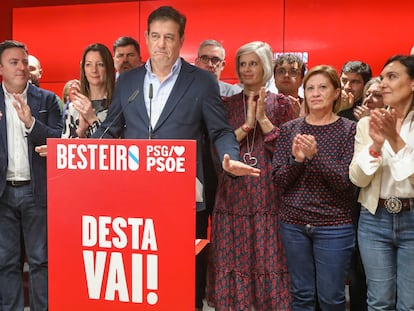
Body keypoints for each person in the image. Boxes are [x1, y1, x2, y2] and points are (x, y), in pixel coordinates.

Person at [91, 6, 260, 311]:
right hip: (136, 193)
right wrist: (77, 151)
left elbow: (220, 130)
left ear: (182, 40)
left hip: (185, 194)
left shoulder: (201, 82)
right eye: (155, 36)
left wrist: (228, 157)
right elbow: (109, 128)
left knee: (184, 276)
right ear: (146, 38)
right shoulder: (128, 81)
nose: (161, 44)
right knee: (142, 274)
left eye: (169, 37)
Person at [206, 41, 294, 310]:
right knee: (233, 256)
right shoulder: (225, 104)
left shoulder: (281, 104)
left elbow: (287, 151)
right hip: (233, 190)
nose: (246, 69)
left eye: (253, 63)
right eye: (242, 64)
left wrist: (264, 122)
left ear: (265, 66)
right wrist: (247, 124)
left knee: (268, 256)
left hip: (267, 191)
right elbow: (218, 145)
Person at [272, 65, 357, 310]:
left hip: (334, 225)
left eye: (322, 87)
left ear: (335, 93)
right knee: (301, 296)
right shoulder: (290, 129)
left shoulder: (348, 130)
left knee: (331, 298)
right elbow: (279, 180)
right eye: (310, 88)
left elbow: (346, 183)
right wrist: (298, 160)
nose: (315, 93)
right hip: (294, 224)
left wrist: (315, 156)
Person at [0, 40, 62, 310]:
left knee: (40, 260)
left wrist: (32, 124)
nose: (22, 67)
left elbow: (60, 141)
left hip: (36, 191)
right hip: (3, 193)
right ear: (1, 67)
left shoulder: (47, 100)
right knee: (6, 262)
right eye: (14, 62)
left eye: (24, 61)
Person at [349, 54, 414, 311]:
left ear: (412, 83)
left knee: (409, 305)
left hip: (412, 219)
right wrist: (376, 144)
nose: (383, 83)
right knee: (379, 302)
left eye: (392, 76)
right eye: (383, 76)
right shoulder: (367, 123)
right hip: (374, 219)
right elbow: (356, 177)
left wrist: (394, 140)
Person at [62, 43, 115, 138]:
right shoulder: (74, 106)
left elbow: (117, 146)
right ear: (84, 70)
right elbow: (65, 148)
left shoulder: (118, 105)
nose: (94, 70)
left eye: (100, 64)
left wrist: (92, 120)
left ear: (108, 68)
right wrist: (80, 131)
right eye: (88, 65)